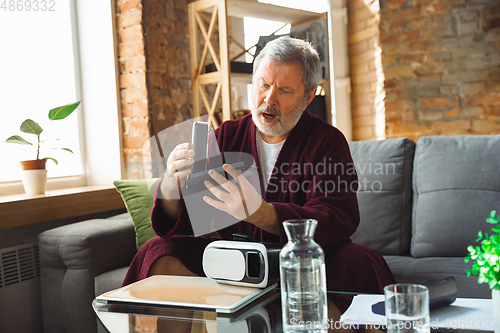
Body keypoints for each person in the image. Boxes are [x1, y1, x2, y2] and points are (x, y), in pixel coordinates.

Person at [122, 36, 396, 297]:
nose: (269, 99)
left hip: (302, 260)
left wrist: (263, 213)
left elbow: (336, 218)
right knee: (157, 250)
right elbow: (191, 218)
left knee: (361, 261)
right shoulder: (226, 136)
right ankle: (218, 312)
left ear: (309, 96)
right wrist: (172, 185)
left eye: (284, 90)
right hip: (235, 258)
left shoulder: (327, 142)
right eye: (263, 85)